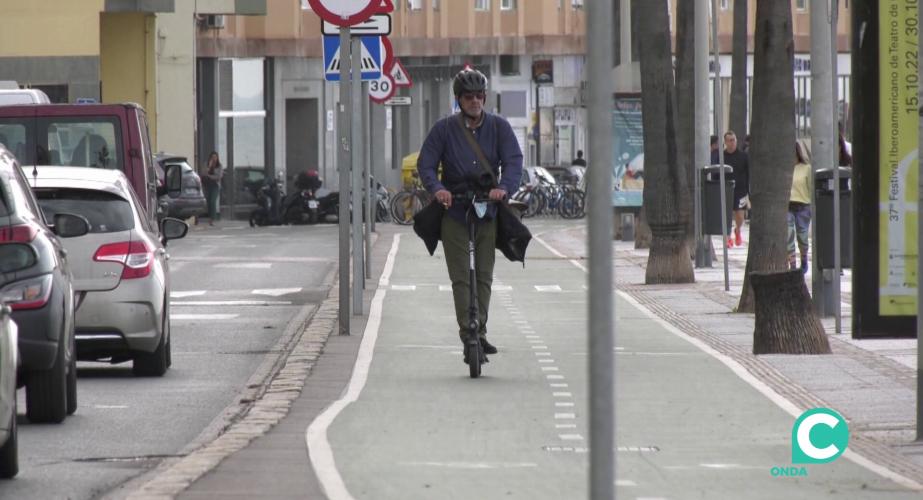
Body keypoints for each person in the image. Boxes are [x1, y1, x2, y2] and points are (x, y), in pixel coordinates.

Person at [417, 66, 523, 360]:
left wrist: (504, 188)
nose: (474, 101)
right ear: (459, 100)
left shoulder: (499, 127)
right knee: (462, 276)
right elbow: (426, 164)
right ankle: (469, 332)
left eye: (479, 96)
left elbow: (514, 161)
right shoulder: (444, 129)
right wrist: (438, 189)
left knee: (484, 274)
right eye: (468, 97)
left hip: (487, 208)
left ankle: (481, 329)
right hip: (455, 210)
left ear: (485, 98)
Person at [716, 130, 749, 247]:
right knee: (726, 215)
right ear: (725, 142)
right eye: (729, 140)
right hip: (725, 189)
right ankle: (728, 237)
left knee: (740, 215)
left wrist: (748, 191)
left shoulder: (744, 156)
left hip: (740, 190)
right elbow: (716, 174)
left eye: (734, 140)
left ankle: (737, 230)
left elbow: (749, 173)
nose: (732, 142)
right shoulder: (721, 156)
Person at [788, 139, 812, 273]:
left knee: (802, 236)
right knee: (788, 235)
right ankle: (792, 265)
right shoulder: (784, 170)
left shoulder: (806, 168)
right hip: (788, 206)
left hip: (803, 206)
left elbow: (811, 188)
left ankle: (804, 259)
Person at [202, 151, 224, 225]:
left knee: (212, 201)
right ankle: (209, 217)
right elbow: (203, 174)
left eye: (215, 157)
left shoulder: (219, 166)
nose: (214, 158)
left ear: (217, 158)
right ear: (210, 158)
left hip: (215, 186)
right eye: (212, 157)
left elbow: (219, 176)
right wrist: (209, 167)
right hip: (207, 185)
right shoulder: (206, 164)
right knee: (208, 201)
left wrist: (209, 176)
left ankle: (212, 218)